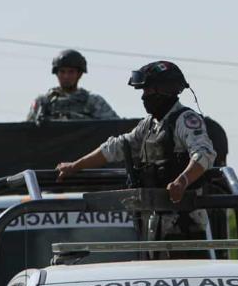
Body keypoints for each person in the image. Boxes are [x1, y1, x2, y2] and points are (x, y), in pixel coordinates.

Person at [55, 60, 216, 235]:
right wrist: (75, 166)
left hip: (186, 226)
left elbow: (204, 153)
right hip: (154, 223)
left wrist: (182, 181)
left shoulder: (185, 120)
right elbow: (116, 147)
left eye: (148, 90)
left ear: (165, 89)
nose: (143, 96)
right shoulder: (148, 125)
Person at [26, 49, 119, 122]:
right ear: (56, 73)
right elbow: (27, 132)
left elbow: (114, 127)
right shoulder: (42, 103)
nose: (66, 76)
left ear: (79, 74)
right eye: (62, 72)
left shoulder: (94, 102)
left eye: (71, 72)